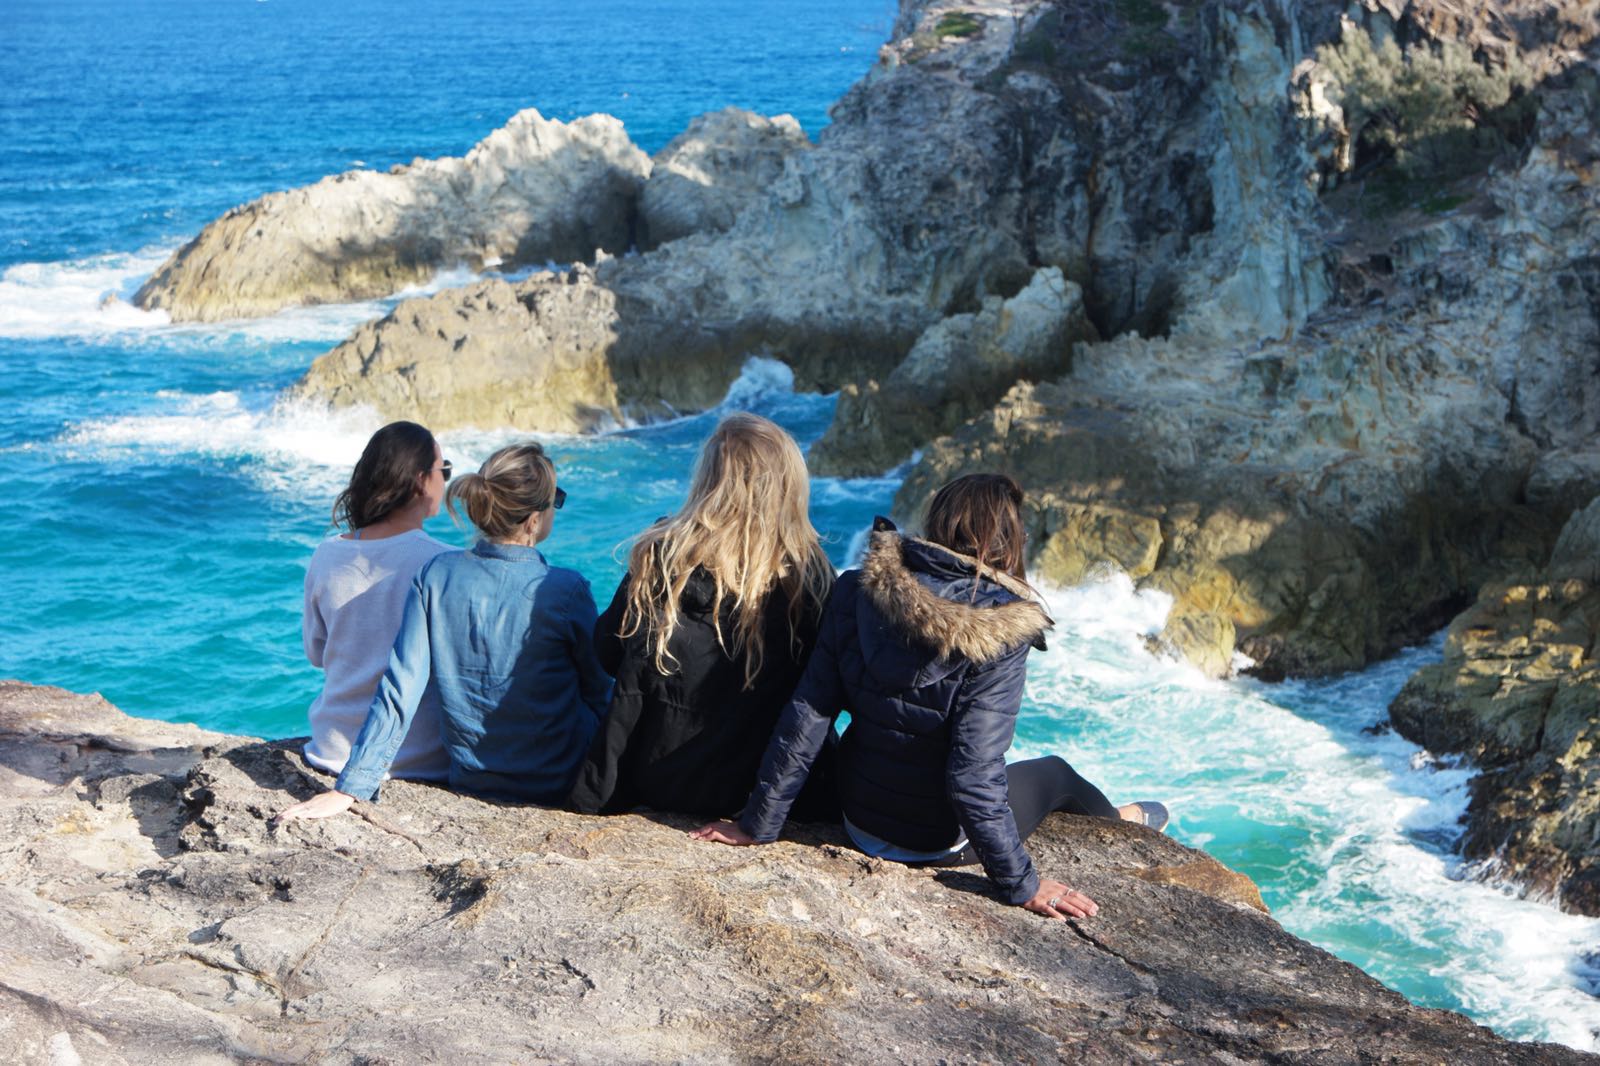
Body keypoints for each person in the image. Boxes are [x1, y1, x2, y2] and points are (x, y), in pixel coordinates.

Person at [692, 473, 1168, 921]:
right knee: (1056, 772)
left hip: (857, 815)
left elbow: (809, 715)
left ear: (938, 524)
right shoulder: (1000, 629)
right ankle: (1121, 818)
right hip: (936, 841)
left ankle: (1119, 815)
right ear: (1007, 542)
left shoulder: (856, 589)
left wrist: (757, 825)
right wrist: (1021, 885)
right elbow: (972, 775)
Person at [277, 442, 611, 821]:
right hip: (556, 777)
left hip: (472, 778)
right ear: (534, 521)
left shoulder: (436, 575)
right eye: (555, 500)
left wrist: (350, 787)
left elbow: (400, 687)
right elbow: (600, 693)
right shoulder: (567, 589)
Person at [567, 413, 837, 819]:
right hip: (755, 792)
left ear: (707, 482)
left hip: (657, 780)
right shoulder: (808, 577)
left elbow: (607, 653)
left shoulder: (661, 557)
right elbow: (828, 692)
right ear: (789, 489)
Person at [301, 421, 454, 783]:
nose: (446, 480)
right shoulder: (444, 562)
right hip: (415, 756)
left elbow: (316, 654)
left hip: (331, 747)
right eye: (444, 470)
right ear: (420, 480)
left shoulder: (327, 554)